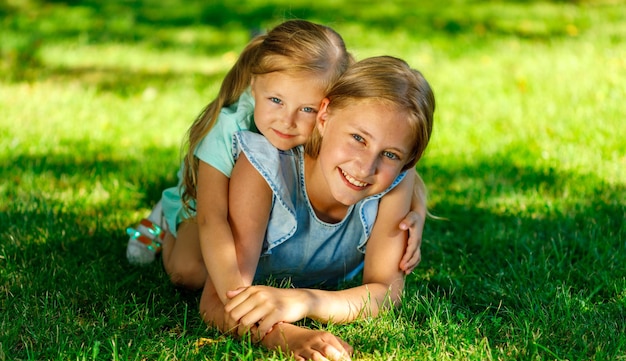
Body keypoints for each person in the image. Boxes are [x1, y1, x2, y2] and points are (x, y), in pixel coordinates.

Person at [126, 20, 426, 290]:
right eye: (276, 101)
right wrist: (235, 295)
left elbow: (397, 163)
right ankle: (162, 224)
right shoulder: (227, 129)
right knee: (189, 271)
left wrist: (418, 211)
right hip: (202, 200)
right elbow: (212, 219)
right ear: (254, 87)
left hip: (248, 212)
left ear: (327, 108)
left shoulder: (333, 134)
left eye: (306, 109)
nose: (287, 120)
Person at [201, 55, 435, 361]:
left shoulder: (395, 185)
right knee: (187, 268)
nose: (365, 168)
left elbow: (385, 293)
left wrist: (305, 301)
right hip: (202, 218)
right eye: (357, 138)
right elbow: (218, 299)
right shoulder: (263, 168)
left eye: (390, 154)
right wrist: (284, 336)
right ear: (323, 117)